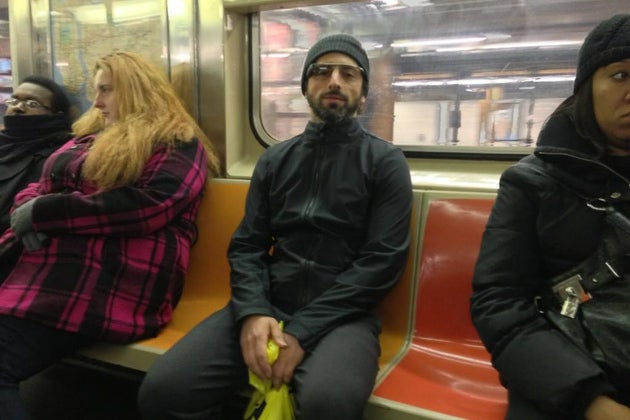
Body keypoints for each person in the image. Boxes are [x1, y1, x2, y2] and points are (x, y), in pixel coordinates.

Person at [138, 34, 413, 420]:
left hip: (343, 314)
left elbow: (381, 262)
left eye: (348, 74)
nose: (334, 80)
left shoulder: (385, 163)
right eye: (321, 71)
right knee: (164, 391)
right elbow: (247, 246)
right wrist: (252, 312)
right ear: (305, 87)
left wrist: (301, 331)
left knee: (325, 405)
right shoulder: (275, 160)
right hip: (270, 301)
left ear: (362, 93)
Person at [0, 51, 220, 419]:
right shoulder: (87, 136)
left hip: (110, 277)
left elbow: (148, 205)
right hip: (48, 269)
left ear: (136, 90)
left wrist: (45, 213)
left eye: (107, 90)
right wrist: (29, 210)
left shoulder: (176, 142)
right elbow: (37, 185)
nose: (97, 101)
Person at [471, 14, 630, 420]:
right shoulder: (533, 183)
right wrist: (591, 402)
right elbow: (499, 303)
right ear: (586, 89)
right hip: (568, 376)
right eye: (619, 75)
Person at [0, 76, 74, 235]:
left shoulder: (62, 156)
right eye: (13, 101)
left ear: (57, 115)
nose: (18, 107)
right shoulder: (3, 145)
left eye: (32, 104)